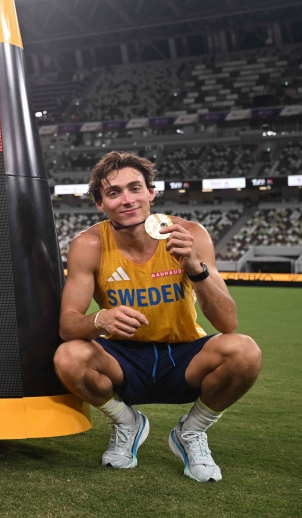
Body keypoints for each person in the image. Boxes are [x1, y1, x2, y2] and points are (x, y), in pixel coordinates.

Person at [53, 152, 261, 482]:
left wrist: (194, 267)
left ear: (151, 192)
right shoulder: (88, 244)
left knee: (245, 351)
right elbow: (68, 325)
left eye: (135, 188)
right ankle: (127, 422)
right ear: (100, 204)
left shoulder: (189, 233)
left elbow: (228, 323)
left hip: (184, 355)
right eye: (114, 192)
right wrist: (99, 319)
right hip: (123, 358)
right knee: (68, 357)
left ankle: (191, 432)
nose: (127, 200)